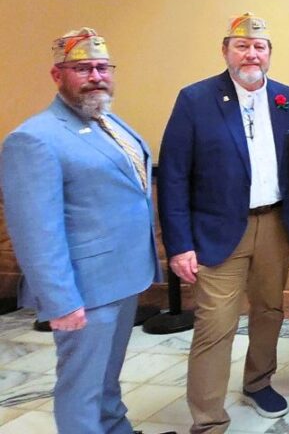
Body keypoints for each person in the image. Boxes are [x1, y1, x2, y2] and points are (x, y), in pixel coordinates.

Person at [0, 28, 161, 434]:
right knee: (81, 387)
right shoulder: (34, 138)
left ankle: (115, 427)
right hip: (84, 291)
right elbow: (35, 230)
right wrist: (60, 301)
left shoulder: (107, 119)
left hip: (123, 278)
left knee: (107, 376)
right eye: (82, 68)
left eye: (103, 67)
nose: (96, 76)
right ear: (58, 75)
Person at [158, 13, 289, 432]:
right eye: (242, 46)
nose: (251, 53)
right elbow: (172, 175)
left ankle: (259, 383)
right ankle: (208, 419)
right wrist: (179, 244)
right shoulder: (195, 99)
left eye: (259, 46)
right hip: (218, 232)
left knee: (270, 310)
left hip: (276, 226)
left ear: (270, 54)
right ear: (225, 51)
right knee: (215, 324)